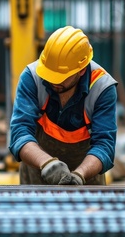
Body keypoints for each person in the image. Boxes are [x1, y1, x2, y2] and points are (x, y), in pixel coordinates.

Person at [9, 26, 118, 185]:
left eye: (61, 77)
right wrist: (47, 163)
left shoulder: (101, 88)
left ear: (81, 70)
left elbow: (104, 145)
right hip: (38, 171)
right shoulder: (32, 77)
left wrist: (80, 175)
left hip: (86, 175)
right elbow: (19, 132)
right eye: (50, 74)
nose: (53, 81)